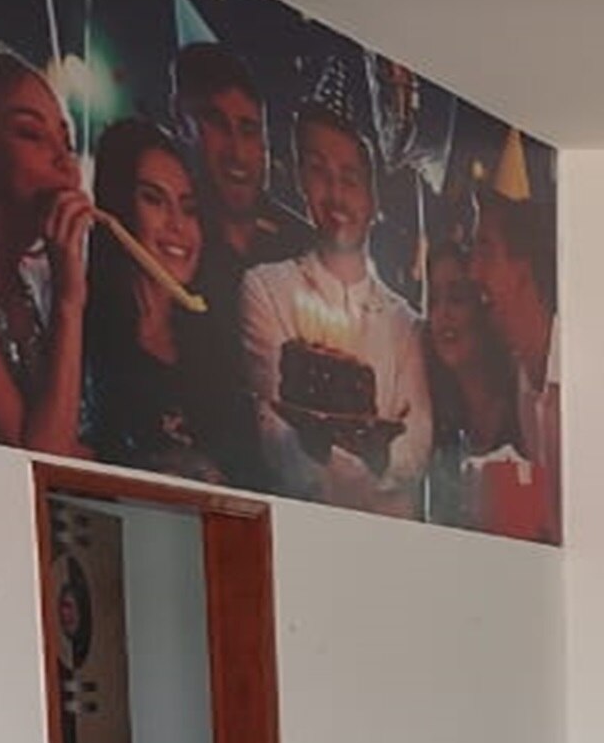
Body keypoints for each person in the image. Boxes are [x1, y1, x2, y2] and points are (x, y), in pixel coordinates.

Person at [238, 103, 433, 515]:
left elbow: (415, 447)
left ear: (373, 197)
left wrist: (359, 451)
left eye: (350, 178)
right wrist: (364, 454)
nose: (336, 194)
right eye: (319, 172)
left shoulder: (405, 322)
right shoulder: (266, 288)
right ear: (300, 181)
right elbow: (275, 437)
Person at [82, 119, 250, 483]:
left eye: (189, 209)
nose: (178, 225)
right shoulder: (82, 335)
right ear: (117, 209)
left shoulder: (218, 340)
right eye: (154, 200)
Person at [0, 61, 95, 454]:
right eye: (31, 134)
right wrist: (70, 300)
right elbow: (44, 455)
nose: (64, 161)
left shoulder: (18, 278)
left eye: (67, 143)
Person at [174, 44, 310, 318]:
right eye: (218, 125)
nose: (237, 153)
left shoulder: (305, 246)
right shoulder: (171, 242)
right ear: (181, 123)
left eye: (249, 131)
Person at [468, 186, 561, 540]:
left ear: (524, 267)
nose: (473, 272)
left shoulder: (585, 375)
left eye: (486, 251)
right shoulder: (525, 382)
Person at [420, 236, 518, 529]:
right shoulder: (434, 415)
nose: (443, 314)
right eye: (433, 301)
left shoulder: (524, 402)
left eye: (457, 298)